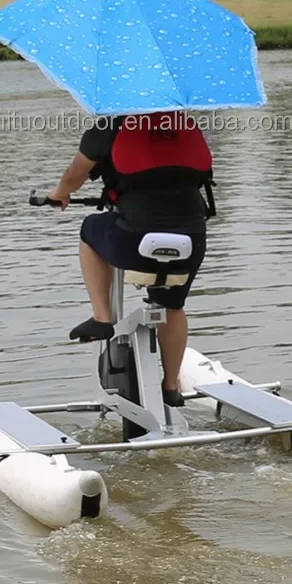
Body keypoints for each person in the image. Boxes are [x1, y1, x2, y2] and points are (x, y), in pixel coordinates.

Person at [47, 111, 214, 406]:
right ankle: (171, 387)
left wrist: (61, 193)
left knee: (89, 230)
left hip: (134, 241)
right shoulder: (183, 125)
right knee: (172, 305)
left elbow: (77, 172)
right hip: (191, 240)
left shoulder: (111, 126)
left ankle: (102, 317)